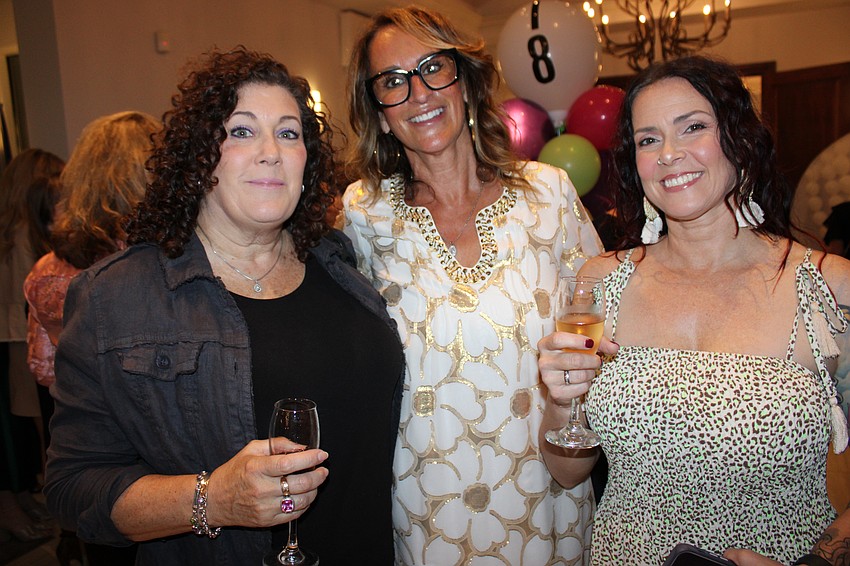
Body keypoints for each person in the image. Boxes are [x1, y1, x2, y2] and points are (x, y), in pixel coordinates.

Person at [43, 47, 404, 565]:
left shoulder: (339, 264)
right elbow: (74, 489)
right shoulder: (116, 299)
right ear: (198, 155)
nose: (270, 152)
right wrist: (214, 500)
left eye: (288, 133)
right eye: (240, 131)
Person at [538, 55, 850, 565]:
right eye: (648, 139)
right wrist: (558, 400)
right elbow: (568, 472)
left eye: (693, 128)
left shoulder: (828, 287)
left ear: (740, 140)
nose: (669, 154)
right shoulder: (601, 283)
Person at [342, 7, 604, 564]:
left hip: (548, 501)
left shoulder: (548, 196)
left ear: (466, 81)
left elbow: (607, 337)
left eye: (434, 67)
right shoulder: (364, 216)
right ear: (381, 115)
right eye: (393, 82)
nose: (418, 93)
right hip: (424, 511)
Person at [25, 110, 159, 566]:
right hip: (151, 450)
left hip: (81, 445)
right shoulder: (145, 265)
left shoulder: (47, 269)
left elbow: (42, 366)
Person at [0, 148, 64, 542]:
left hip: (11, 338)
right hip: (21, 339)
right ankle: (59, 517)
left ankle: (33, 498)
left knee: (28, 432)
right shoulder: (29, 236)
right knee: (45, 432)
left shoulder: (9, 229)